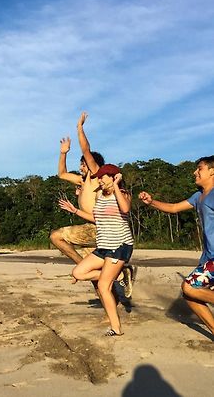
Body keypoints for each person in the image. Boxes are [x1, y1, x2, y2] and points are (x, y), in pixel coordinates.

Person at [50, 112, 135, 298]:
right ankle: (117, 286)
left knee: (56, 236)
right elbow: (62, 174)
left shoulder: (97, 177)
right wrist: (63, 153)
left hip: (97, 228)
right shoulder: (83, 181)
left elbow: (86, 150)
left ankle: (84, 268)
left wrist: (80, 128)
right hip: (93, 228)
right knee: (98, 283)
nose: (81, 167)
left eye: (83, 164)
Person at [138, 155, 214, 335]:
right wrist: (151, 202)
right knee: (190, 295)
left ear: (212, 171)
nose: (195, 172)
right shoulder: (199, 196)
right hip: (208, 257)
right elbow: (173, 208)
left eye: (200, 168)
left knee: (189, 287)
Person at [59, 164, 134, 336]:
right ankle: (119, 275)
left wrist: (116, 185)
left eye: (102, 176)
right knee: (78, 272)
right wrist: (75, 210)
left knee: (103, 286)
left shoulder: (123, 194)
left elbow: (125, 209)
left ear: (114, 177)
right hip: (104, 246)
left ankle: (116, 328)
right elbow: (96, 218)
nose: (99, 179)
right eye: (98, 176)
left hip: (119, 246)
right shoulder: (100, 195)